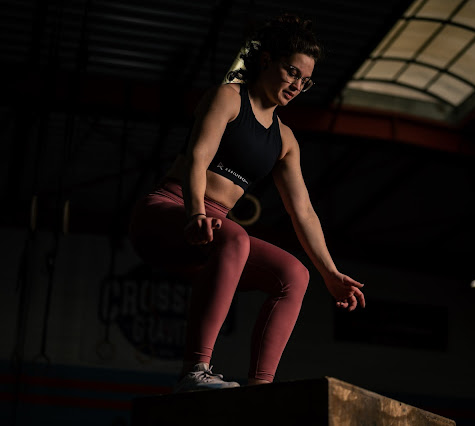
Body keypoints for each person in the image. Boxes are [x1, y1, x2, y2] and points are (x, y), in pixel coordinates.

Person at [128, 12, 365, 393]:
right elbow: (198, 158)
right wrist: (195, 213)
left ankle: (260, 390)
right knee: (235, 237)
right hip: (169, 211)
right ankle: (195, 371)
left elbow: (303, 211)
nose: (297, 85)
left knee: (295, 275)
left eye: (305, 81)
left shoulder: (285, 140)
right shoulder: (228, 98)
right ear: (266, 60)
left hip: (215, 234)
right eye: (291, 72)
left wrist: (330, 273)